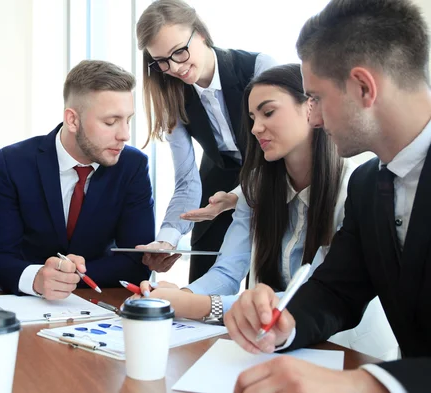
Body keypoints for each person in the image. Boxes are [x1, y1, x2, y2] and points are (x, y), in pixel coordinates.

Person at [226, 1, 431, 392]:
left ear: (363, 87)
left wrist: (370, 383)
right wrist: (282, 324)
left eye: (316, 98)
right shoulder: (368, 185)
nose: (313, 117)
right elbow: (337, 290)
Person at [136, 64, 397, 360]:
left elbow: (317, 295)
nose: (256, 127)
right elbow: (228, 269)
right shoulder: (256, 184)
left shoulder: (354, 188)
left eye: (268, 112)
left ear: (310, 108)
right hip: (275, 348)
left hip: (347, 351)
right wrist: (183, 296)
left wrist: (202, 306)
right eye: (252, 117)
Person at [0, 60, 155, 300]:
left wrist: (67, 275)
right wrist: (35, 278)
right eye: (110, 122)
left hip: (99, 306)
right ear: (73, 120)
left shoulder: (133, 166)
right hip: (26, 306)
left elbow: (136, 261)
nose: (125, 134)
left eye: (128, 120)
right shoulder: (12, 163)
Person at [135, 0, 277, 280]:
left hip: (272, 179)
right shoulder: (172, 96)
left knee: (265, 290)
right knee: (202, 290)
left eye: (179, 52)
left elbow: (284, 151)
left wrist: (238, 196)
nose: (174, 68)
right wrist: (167, 238)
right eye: (162, 61)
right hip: (215, 192)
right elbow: (187, 179)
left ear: (200, 33)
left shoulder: (258, 67)